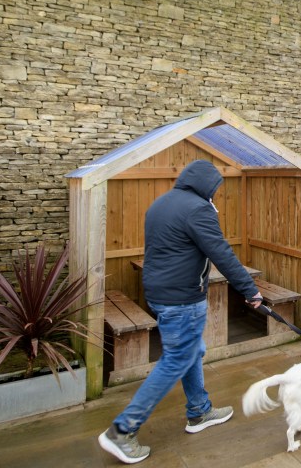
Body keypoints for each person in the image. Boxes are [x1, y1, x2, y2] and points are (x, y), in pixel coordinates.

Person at [98, 160, 263, 464]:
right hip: (183, 300)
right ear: (206, 186)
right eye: (215, 189)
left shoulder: (160, 204)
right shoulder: (198, 209)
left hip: (160, 294)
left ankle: (199, 411)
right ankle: (123, 429)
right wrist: (249, 290)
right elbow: (221, 252)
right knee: (176, 359)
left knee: (190, 350)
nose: (215, 195)